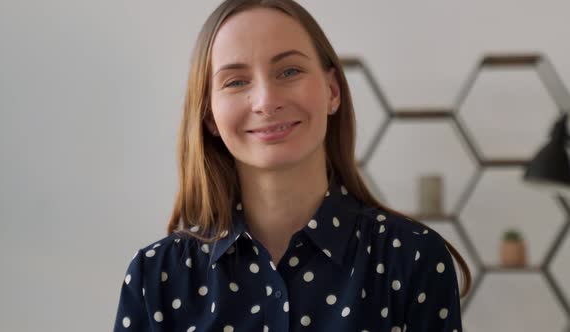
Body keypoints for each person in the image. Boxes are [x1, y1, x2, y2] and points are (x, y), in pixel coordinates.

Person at [113, 0, 472, 331]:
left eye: (289, 71)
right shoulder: (154, 278)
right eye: (236, 81)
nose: (266, 101)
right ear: (209, 114)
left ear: (333, 90)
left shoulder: (413, 259)